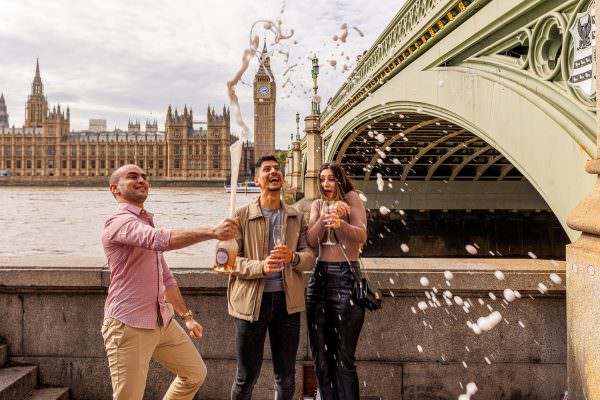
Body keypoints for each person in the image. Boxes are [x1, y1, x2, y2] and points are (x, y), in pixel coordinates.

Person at [101, 164, 237, 400]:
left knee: (194, 374)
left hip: (162, 320)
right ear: (115, 188)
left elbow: (165, 277)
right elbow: (159, 240)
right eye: (133, 177)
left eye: (145, 176)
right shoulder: (119, 222)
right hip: (129, 324)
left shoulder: (144, 222)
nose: (142, 180)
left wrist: (187, 317)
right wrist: (213, 232)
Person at [227, 155, 316, 400]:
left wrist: (293, 258)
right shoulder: (241, 215)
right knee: (245, 377)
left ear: (283, 179)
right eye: (267, 169)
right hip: (251, 304)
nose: (273, 172)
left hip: (288, 304)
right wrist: (261, 267)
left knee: (286, 376)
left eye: (277, 169)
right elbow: (227, 261)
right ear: (257, 180)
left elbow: (309, 256)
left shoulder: (296, 217)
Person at [306, 162, 368, 400]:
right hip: (319, 281)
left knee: (343, 358)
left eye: (331, 179)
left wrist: (342, 224)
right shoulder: (317, 204)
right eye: (322, 179)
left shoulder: (353, 199)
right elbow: (311, 240)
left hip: (346, 278)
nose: (325, 184)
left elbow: (362, 235)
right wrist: (323, 219)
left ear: (340, 180)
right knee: (320, 358)